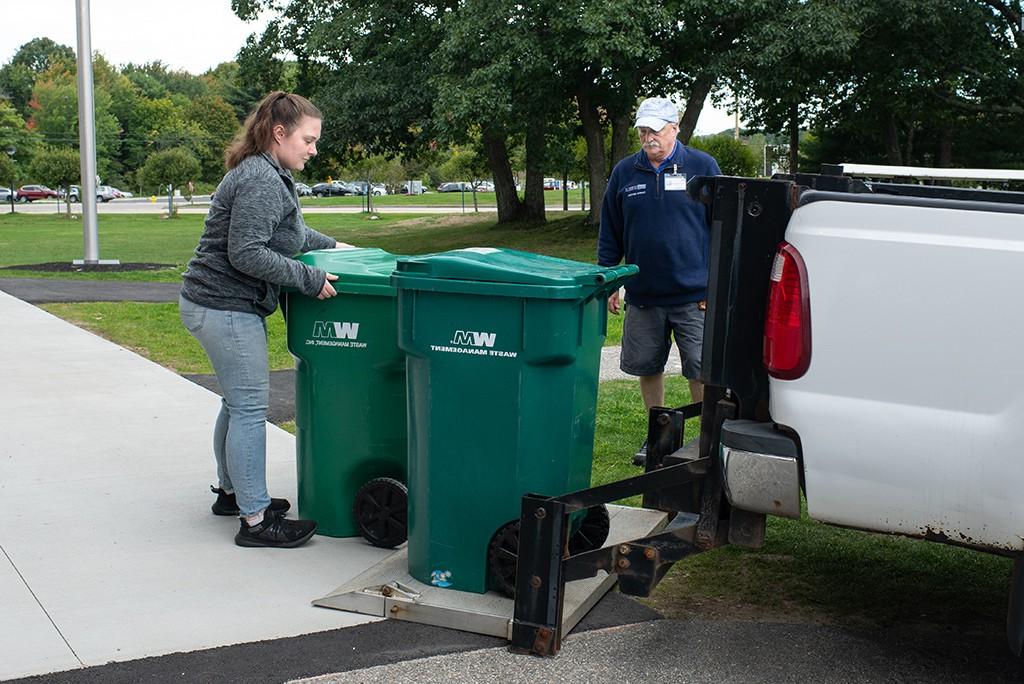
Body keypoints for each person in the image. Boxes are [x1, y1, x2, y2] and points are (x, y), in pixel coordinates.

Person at [179, 91, 352, 548]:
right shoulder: (260, 179)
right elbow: (247, 252)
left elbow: (288, 233)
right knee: (251, 409)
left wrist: (339, 249)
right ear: (280, 134)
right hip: (224, 307)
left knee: (235, 405)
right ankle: (256, 521)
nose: (314, 150)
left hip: (213, 304)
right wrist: (308, 278)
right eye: (308, 140)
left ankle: (233, 494)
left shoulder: (266, 173)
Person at [597, 97, 721, 464]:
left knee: (701, 369)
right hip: (644, 295)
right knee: (647, 367)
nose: (648, 136)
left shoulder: (702, 166)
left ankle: (706, 441)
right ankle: (660, 438)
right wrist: (610, 279)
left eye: (655, 129)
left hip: (694, 296)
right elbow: (611, 229)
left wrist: (715, 287)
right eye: (643, 129)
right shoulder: (625, 172)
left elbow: (721, 228)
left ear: (675, 128)